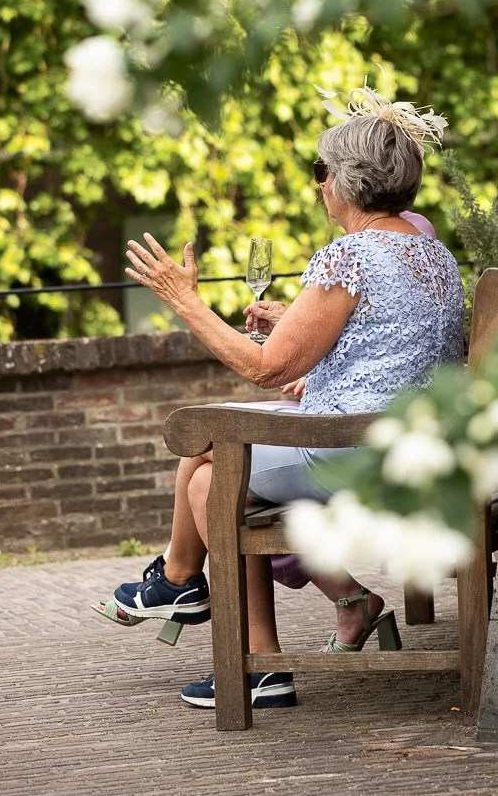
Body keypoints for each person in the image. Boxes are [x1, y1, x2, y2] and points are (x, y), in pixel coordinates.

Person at [104, 89, 462, 710]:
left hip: (357, 452)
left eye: (320, 173)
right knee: (214, 452)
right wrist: (304, 336)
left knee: (209, 471)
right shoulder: (431, 252)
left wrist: (186, 301)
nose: (318, 187)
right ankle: (206, 607)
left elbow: (264, 369)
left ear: (346, 182)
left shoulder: (350, 253)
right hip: (417, 444)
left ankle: (203, 606)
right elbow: (395, 348)